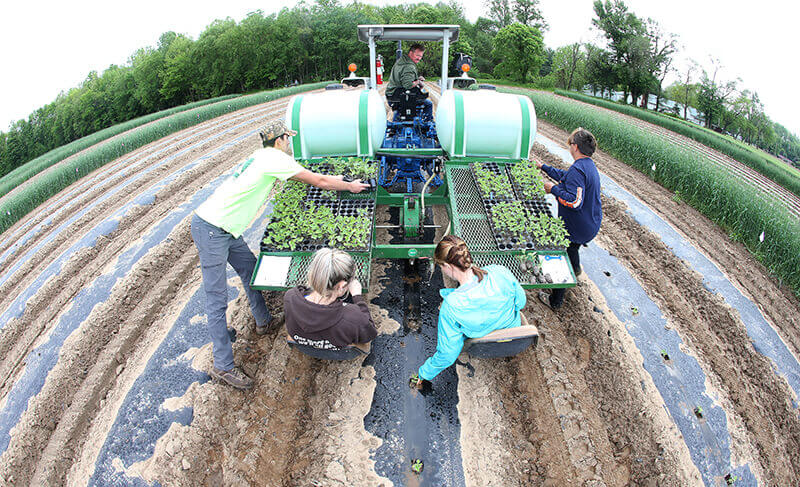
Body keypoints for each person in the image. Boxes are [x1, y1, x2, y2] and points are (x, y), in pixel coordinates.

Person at [191, 119, 369, 389]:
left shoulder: (259, 156)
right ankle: (223, 365)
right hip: (212, 229)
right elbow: (318, 180)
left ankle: (263, 321)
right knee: (216, 299)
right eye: (288, 139)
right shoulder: (274, 158)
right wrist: (349, 186)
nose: (290, 143)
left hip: (224, 228)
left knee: (250, 269)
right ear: (279, 141)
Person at [409, 235, 527, 388]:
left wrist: (423, 373)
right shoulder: (499, 272)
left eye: (441, 266)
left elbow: (448, 355)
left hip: (483, 344)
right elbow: (521, 302)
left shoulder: (452, 306)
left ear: (448, 267)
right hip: (513, 332)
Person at [536, 127, 603, 310]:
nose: (569, 147)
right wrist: (544, 167)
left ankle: (555, 301)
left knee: (562, 256)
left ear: (574, 146)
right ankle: (576, 268)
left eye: (570, 144)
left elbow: (574, 202)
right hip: (590, 223)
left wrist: (553, 189)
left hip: (577, 227)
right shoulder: (587, 165)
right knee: (573, 248)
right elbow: (566, 177)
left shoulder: (579, 169)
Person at [284, 248, 377, 350]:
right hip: (336, 349)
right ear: (342, 285)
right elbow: (370, 333)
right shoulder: (353, 318)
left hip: (303, 342)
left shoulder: (290, 296)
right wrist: (357, 297)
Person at [385, 43, 433, 121]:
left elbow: (404, 77)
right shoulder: (409, 66)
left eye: (421, 56)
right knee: (428, 104)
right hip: (401, 98)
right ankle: (427, 125)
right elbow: (408, 85)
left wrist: (416, 78)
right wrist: (418, 82)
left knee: (399, 109)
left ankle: (396, 121)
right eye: (417, 55)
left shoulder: (401, 61)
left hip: (392, 96)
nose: (419, 58)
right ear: (411, 53)